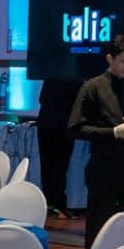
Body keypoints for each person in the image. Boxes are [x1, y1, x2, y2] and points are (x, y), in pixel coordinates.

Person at [70, 34, 124, 249]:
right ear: (110, 59)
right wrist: (114, 133)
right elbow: (76, 128)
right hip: (104, 170)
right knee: (100, 228)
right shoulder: (92, 88)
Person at [35, 77, 81, 219]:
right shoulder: (76, 79)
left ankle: (48, 204)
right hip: (64, 126)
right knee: (61, 167)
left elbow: (41, 99)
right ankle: (60, 206)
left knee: (47, 165)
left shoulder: (50, 76)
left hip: (44, 124)